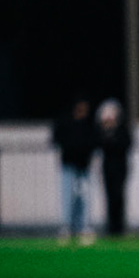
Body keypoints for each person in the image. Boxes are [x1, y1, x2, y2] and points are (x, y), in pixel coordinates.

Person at [53, 96, 98, 244]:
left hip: (84, 166)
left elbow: (95, 141)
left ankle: (83, 227)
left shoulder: (89, 124)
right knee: (68, 197)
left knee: (84, 198)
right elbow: (56, 138)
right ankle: (67, 227)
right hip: (69, 164)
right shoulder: (66, 121)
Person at [97, 100, 133, 238]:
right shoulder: (103, 131)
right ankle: (111, 227)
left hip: (120, 168)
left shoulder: (122, 129)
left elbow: (126, 144)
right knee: (109, 197)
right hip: (108, 168)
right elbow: (100, 145)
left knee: (119, 196)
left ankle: (120, 227)